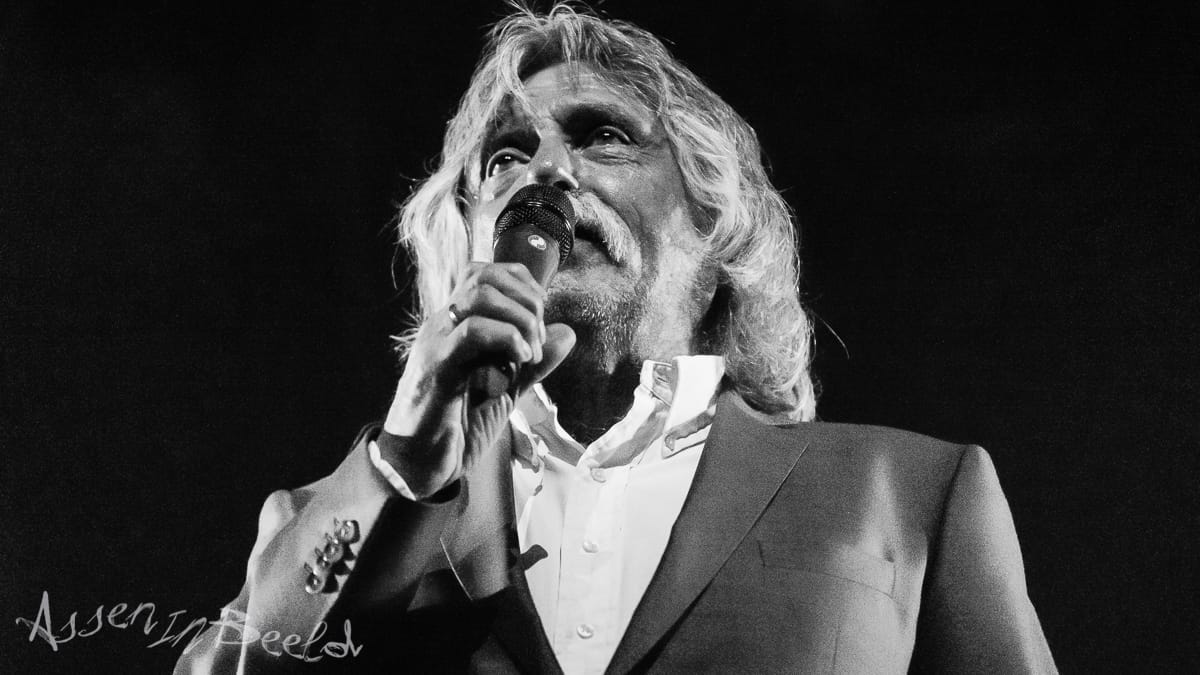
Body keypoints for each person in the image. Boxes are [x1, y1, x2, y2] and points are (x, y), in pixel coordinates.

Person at [176, 4, 1056, 673]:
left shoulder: (908, 494)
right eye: (503, 157)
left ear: (716, 224)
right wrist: (404, 463)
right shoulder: (332, 516)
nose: (544, 172)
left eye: (602, 136)